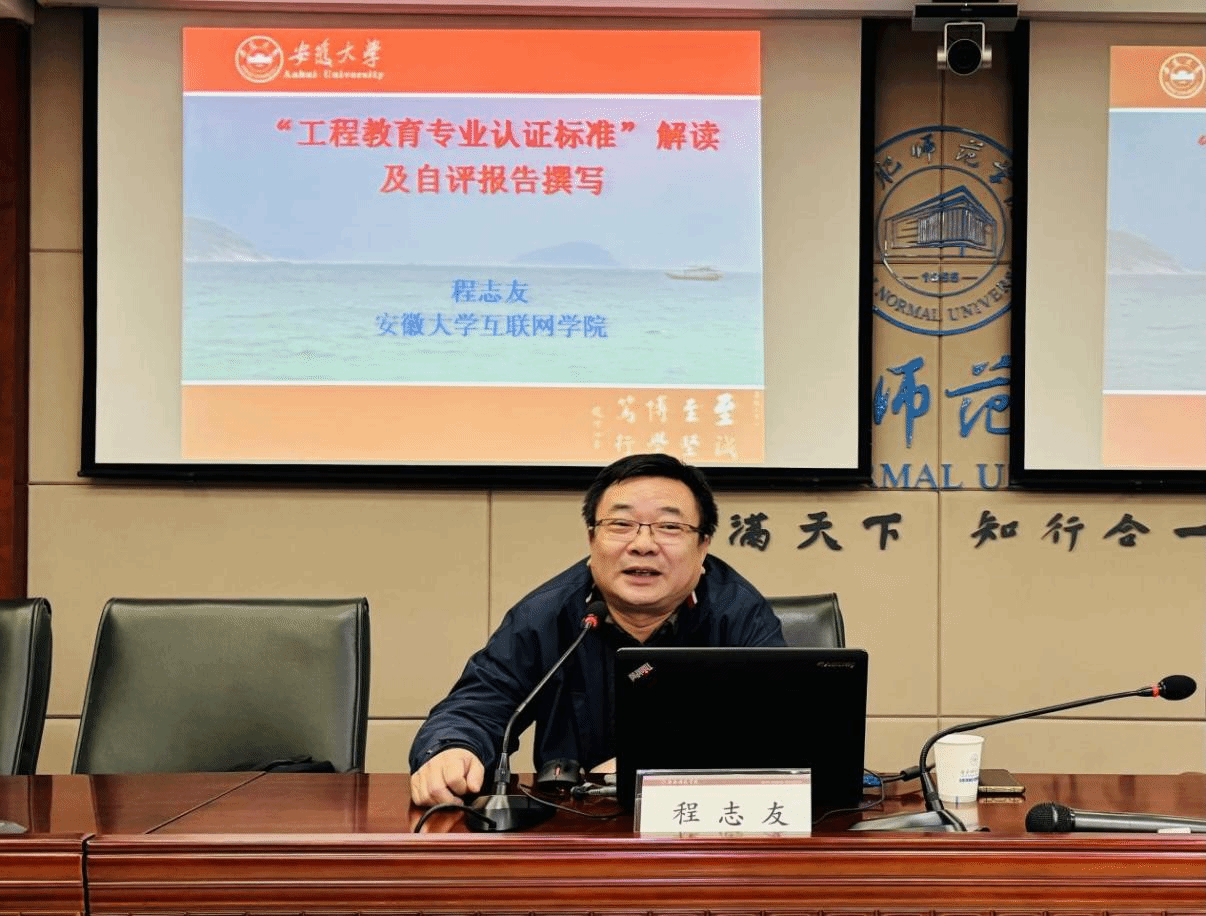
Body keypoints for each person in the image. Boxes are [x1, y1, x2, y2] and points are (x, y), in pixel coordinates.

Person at [408, 453, 785, 806]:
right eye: (621, 525)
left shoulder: (739, 613)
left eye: (669, 527)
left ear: (703, 546)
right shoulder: (547, 614)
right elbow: (481, 702)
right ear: (592, 539)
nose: (643, 545)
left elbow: (779, 729)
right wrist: (452, 748)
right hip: (575, 824)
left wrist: (656, 765)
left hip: (703, 825)